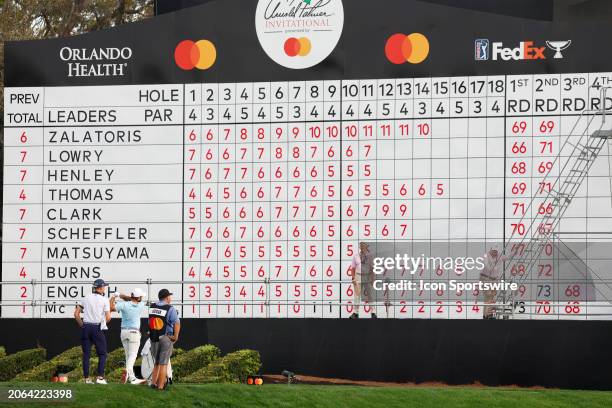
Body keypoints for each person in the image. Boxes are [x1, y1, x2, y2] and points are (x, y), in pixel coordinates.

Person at [74, 278, 116, 384]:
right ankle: (100, 378)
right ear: (101, 288)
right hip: (97, 328)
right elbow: (109, 317)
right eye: (104, 287)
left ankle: (87, 379)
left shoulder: (86, 298)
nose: (105, 288)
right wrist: (102, 325)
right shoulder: (104, 300)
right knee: (102, 353)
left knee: (86, 354)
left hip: (86, 327)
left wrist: (82, 326)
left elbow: (76, 314)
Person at [112, 288, 147, 384]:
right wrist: (122, 296)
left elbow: (111, 308)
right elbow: (131, 299)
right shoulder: (140, 305)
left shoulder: (123, 304)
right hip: (134, 333)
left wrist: (116, 295)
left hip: (123, 332)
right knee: (133, 355)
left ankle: (132, 378)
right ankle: (127, 371)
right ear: (138, 297)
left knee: (128, 356)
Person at [149, 289, 180, 390]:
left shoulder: (152, 306)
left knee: (156, 363)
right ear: (167, 297)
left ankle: (153, 384)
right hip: (166, 337)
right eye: (169, 296)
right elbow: (176, 323)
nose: (170, 298)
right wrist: (175, 336)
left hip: (154, 338)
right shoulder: (170, 308)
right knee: (163, 364)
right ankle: (161, 387)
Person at [348, 242, 377, 319]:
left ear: (366, 247)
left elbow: (372, 268)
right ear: (360, 247)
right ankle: (355, 313)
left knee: (370, 295)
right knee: (357, 295)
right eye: (361, 246)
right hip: (358, 276)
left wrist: (373, 279)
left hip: (367, 277)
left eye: (363, 246)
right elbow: (353, 268)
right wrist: (353, 278)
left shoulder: (370, 256)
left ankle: (373, 312)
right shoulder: (356, 256)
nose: (362, 247)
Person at [481, 247, 507, 319]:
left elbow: (508, 257)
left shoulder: (499, 257)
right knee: (488, 297)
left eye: (496, 252)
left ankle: (489, 314)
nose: (495, 253)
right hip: (487, 279)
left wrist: (515, 251)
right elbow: (488, 267)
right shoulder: (486, 256)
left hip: (494, 280)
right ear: (490, 251)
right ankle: (486, 315)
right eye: (493, 251)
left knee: (492, 297)